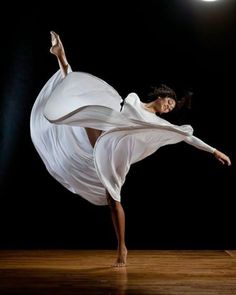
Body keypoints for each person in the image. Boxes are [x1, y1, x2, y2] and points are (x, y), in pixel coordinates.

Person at [30, 31, 231, 267]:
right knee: (81, 104)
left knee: (113, 200)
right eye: (168, 102)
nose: (168, 107)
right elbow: (117, 113)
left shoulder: (160, 122)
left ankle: (121, 247)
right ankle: (61, 57)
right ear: (162, 95)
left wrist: (214, 151)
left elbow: (186, 136)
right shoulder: (134, 99)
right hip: (105, 139)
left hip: (118, 156)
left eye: (171, 108)